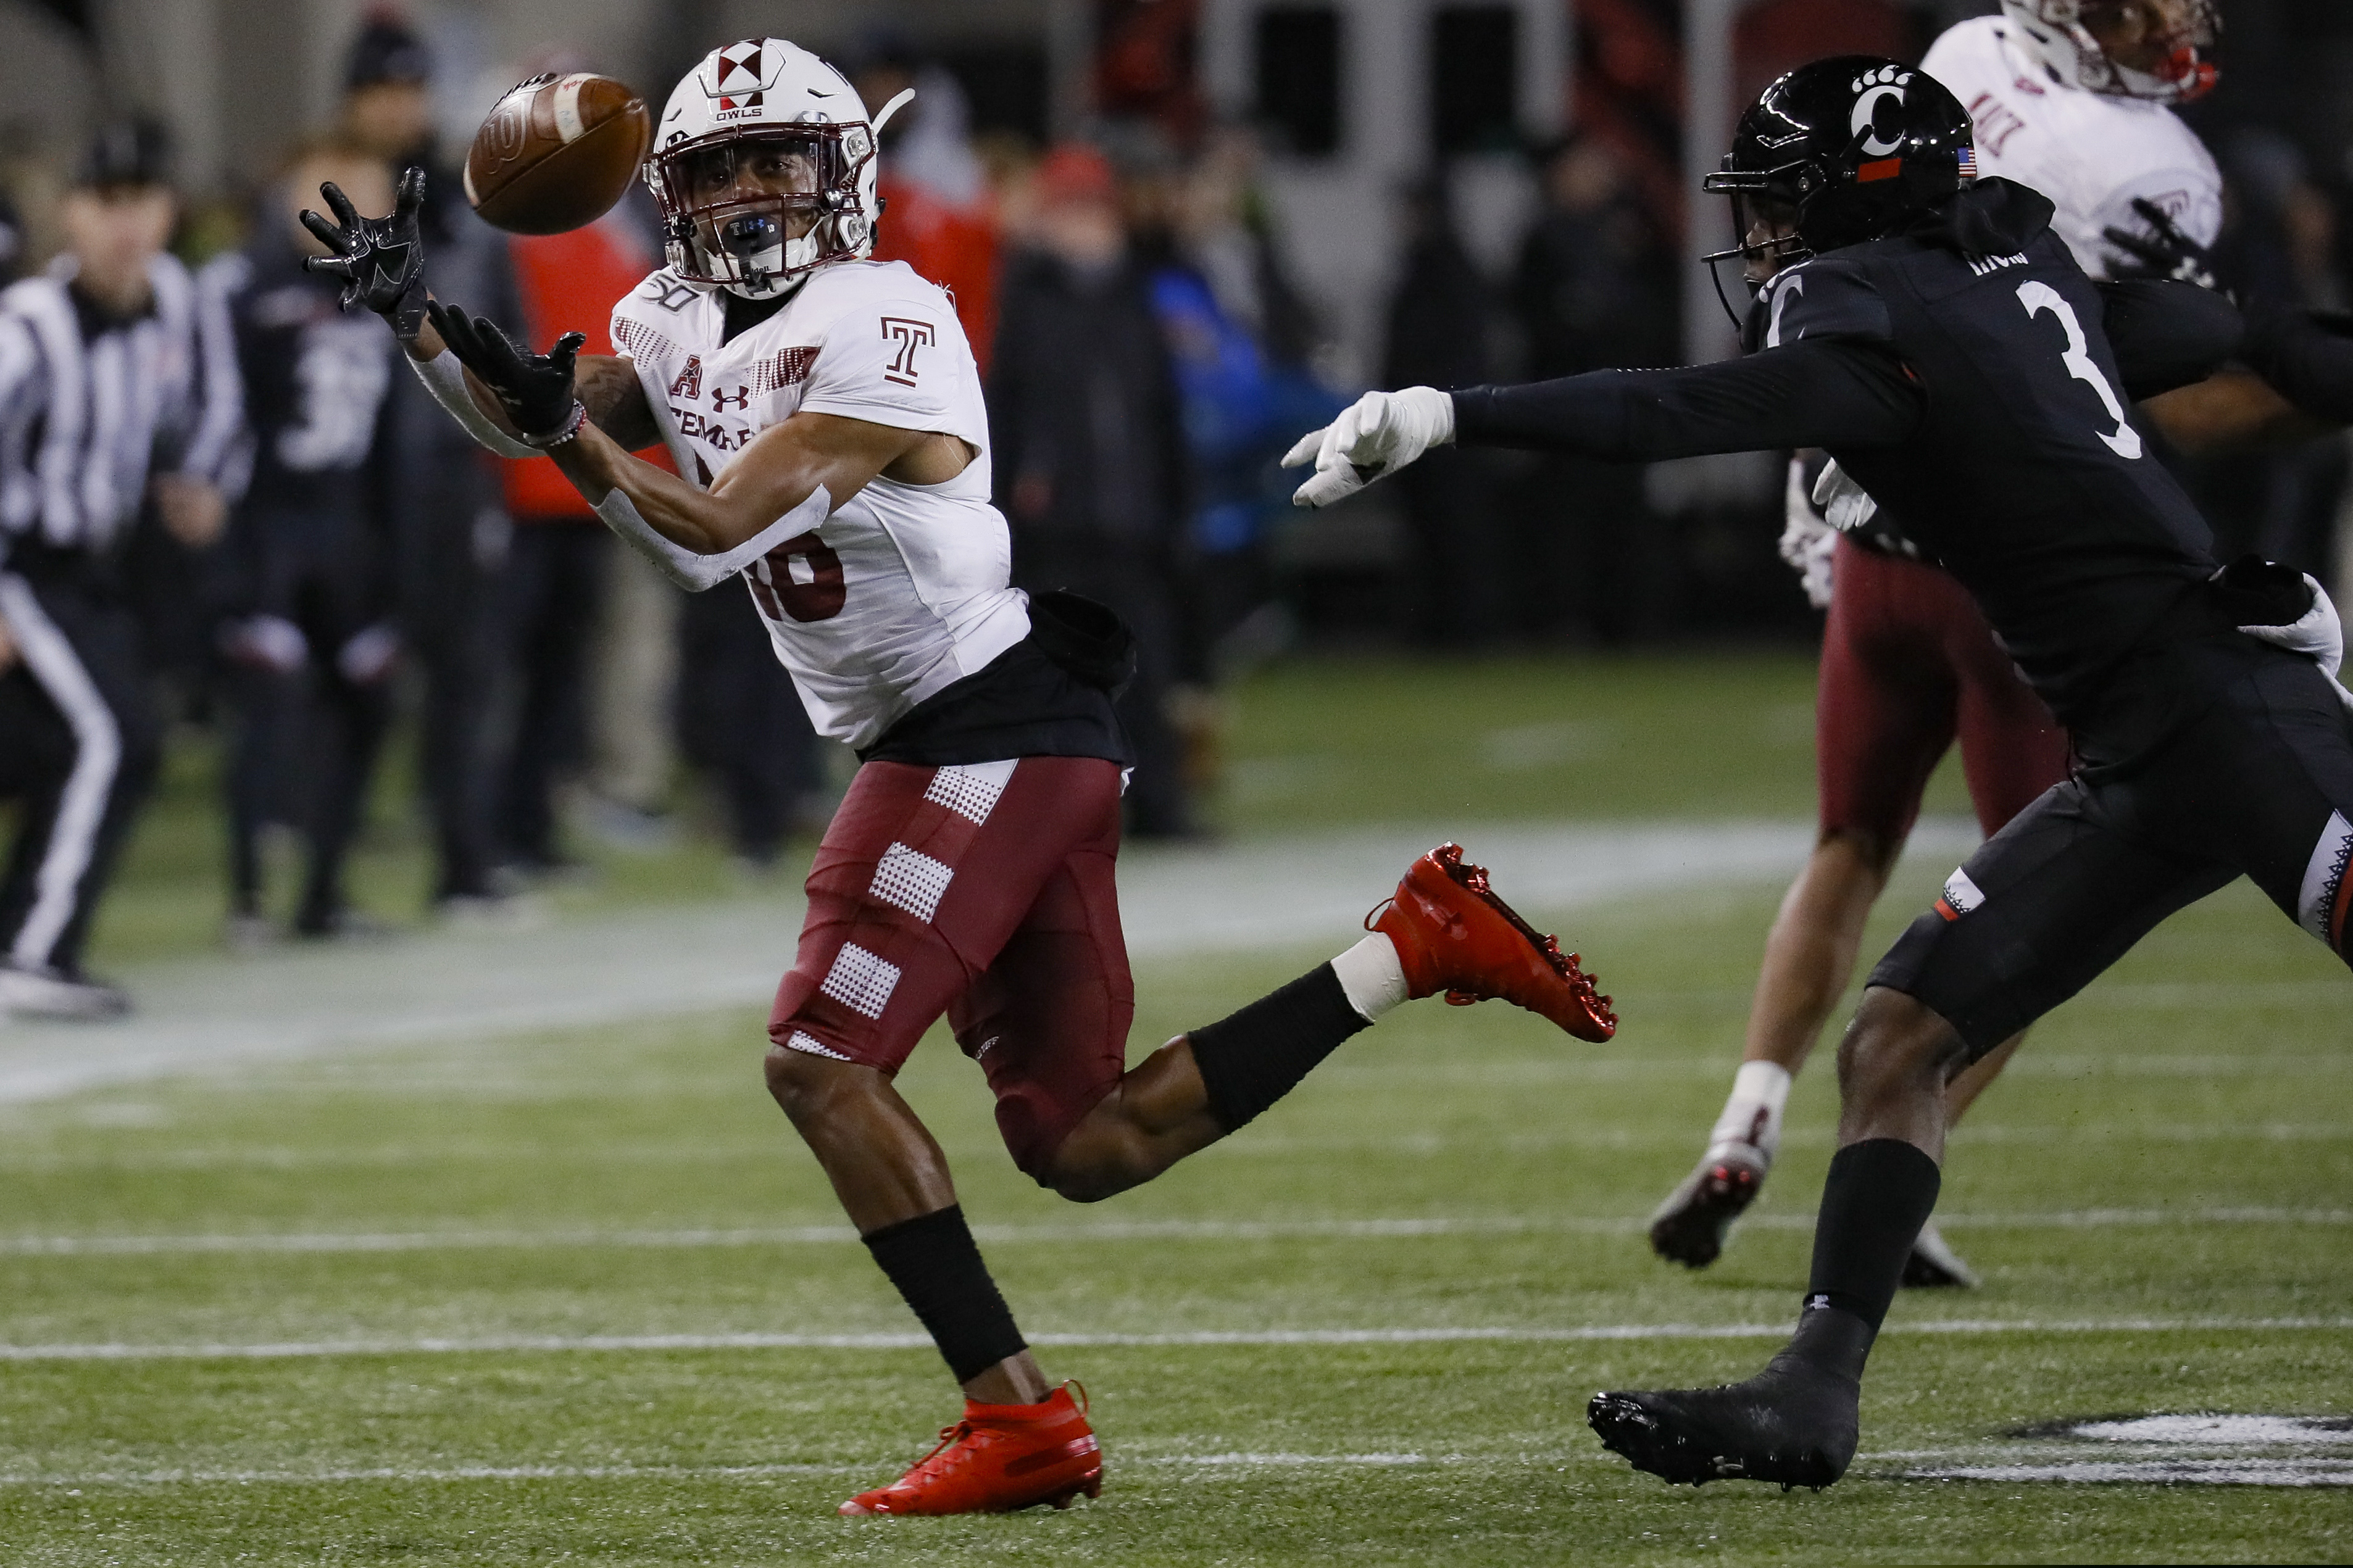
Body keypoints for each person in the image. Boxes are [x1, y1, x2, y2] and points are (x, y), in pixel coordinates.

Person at [300, 36, 1619, 1516]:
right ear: (669, 193)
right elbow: (538, 413)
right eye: (715, 167)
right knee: (1085, 1139)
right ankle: (1409, 945)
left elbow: (708, 535)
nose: (742, 192)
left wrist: (566, 439)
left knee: (816, 1060)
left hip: (978, 722)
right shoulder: (664, 313)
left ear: (843, 172)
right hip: (975, 735)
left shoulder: (890, 321)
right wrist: (418, 326)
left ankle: (1020, 1422)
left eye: (771, 158)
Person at [1283, 55, 2349, 1490]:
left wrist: (1447, 414)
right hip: (2150, 735)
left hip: (2219, 709)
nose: (1764, 233)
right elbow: (2247, 337)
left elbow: (1677, 411)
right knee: (1897, 1036)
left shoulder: (1878, 325)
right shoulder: (2016, 248)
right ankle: (1809, 1391)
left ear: (1847, 199)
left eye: (1781, 201)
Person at [1645, 0, 2225, 1284]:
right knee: (2043, 906)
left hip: (1871, 540)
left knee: (1845, 844)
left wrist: (1816, 467)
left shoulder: (1961, 58)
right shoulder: (2160, 175)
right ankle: (1901, 1152)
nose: (2178, 20)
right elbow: (2131, 365)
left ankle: (1744, 1116)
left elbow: (1855, 281)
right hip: (1999, 569)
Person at [0, 120, 240, 1016]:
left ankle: (26, 940)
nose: (125, 223)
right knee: (113, 737)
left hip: (102, 568)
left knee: (79, 747)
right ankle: (33, 951)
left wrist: (204, 483)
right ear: (69, 214)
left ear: (168, 209)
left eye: (141, 200)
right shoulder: (28, 326)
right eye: (105, 202)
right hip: (26, 565)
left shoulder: (177, 299)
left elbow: (214, 409)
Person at [339, 8, 521, 917]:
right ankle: (314, 880)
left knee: (466, 671)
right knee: (351, 679)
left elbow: (498, 328)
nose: (401, 109)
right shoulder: (321, 189)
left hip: (448, 466)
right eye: (385, 90)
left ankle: (465, 859)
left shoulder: (454, 197)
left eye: (411, 89)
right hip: (347, 478)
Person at [209, 139, 403, 942]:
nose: (353, 213)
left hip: (350, 533)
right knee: (268, 709)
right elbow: (221, 424)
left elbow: (396, 442)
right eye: (336, 195)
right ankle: (250, 897)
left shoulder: (387, 295)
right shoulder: (248, 291)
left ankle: (323, 893)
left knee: (366, 705)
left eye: (369, 195)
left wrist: (397, 553)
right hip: (272, 529)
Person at [988, 144, 1199, 838]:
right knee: (1062, 678)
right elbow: (1008, 414)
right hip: (1057, 522)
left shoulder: (1137, 297)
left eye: (1092, 212)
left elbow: (1161, 412)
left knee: (1146, 668)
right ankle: (1068, 817)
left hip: (1132, 515)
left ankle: (1158, 804)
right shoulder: (1024, 301)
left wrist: (1173, 503)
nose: (1084, 228)